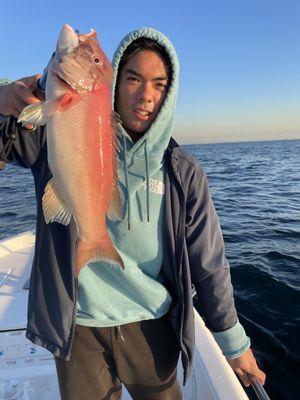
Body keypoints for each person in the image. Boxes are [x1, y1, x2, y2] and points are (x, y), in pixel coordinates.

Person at [0, 27, 266, 399]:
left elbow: (208, 265)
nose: (145, 96)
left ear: (170, 94)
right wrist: (3, 96)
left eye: (159, 84)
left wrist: (235, 346)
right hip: (78, 328)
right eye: (133, 79)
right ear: (113, 83)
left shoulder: (183, 173)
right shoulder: (50, 135)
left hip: (152, 327)